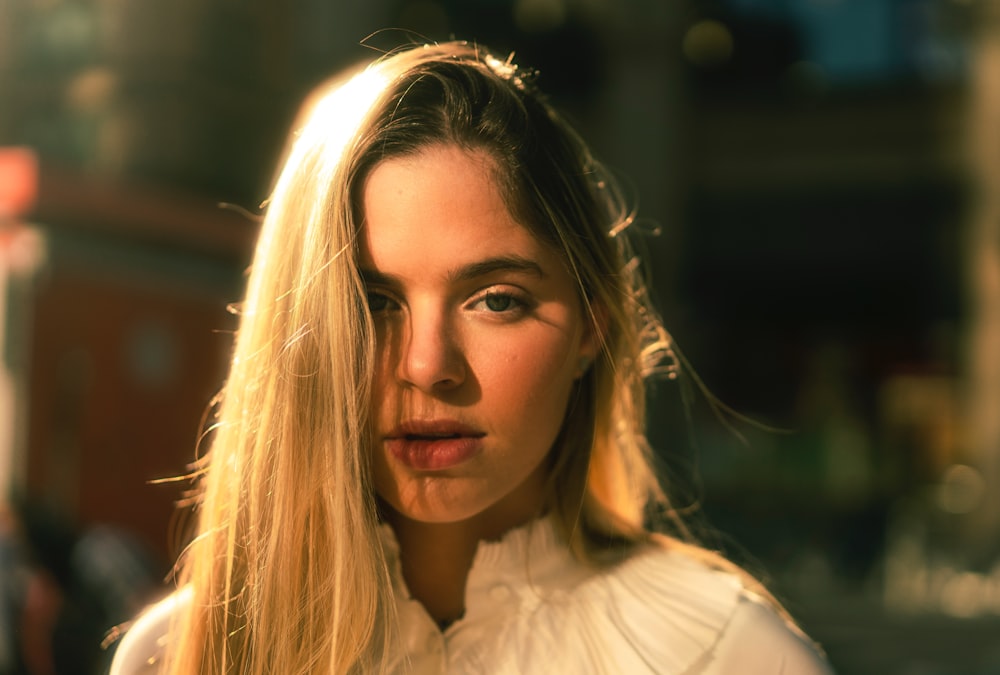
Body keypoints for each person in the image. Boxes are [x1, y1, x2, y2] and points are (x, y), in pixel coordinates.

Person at [109, 41, 834, 674]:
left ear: (592, 328)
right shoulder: (183, 654)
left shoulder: (732, 657)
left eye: (495, 299)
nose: (427, 366)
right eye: (372, 302)